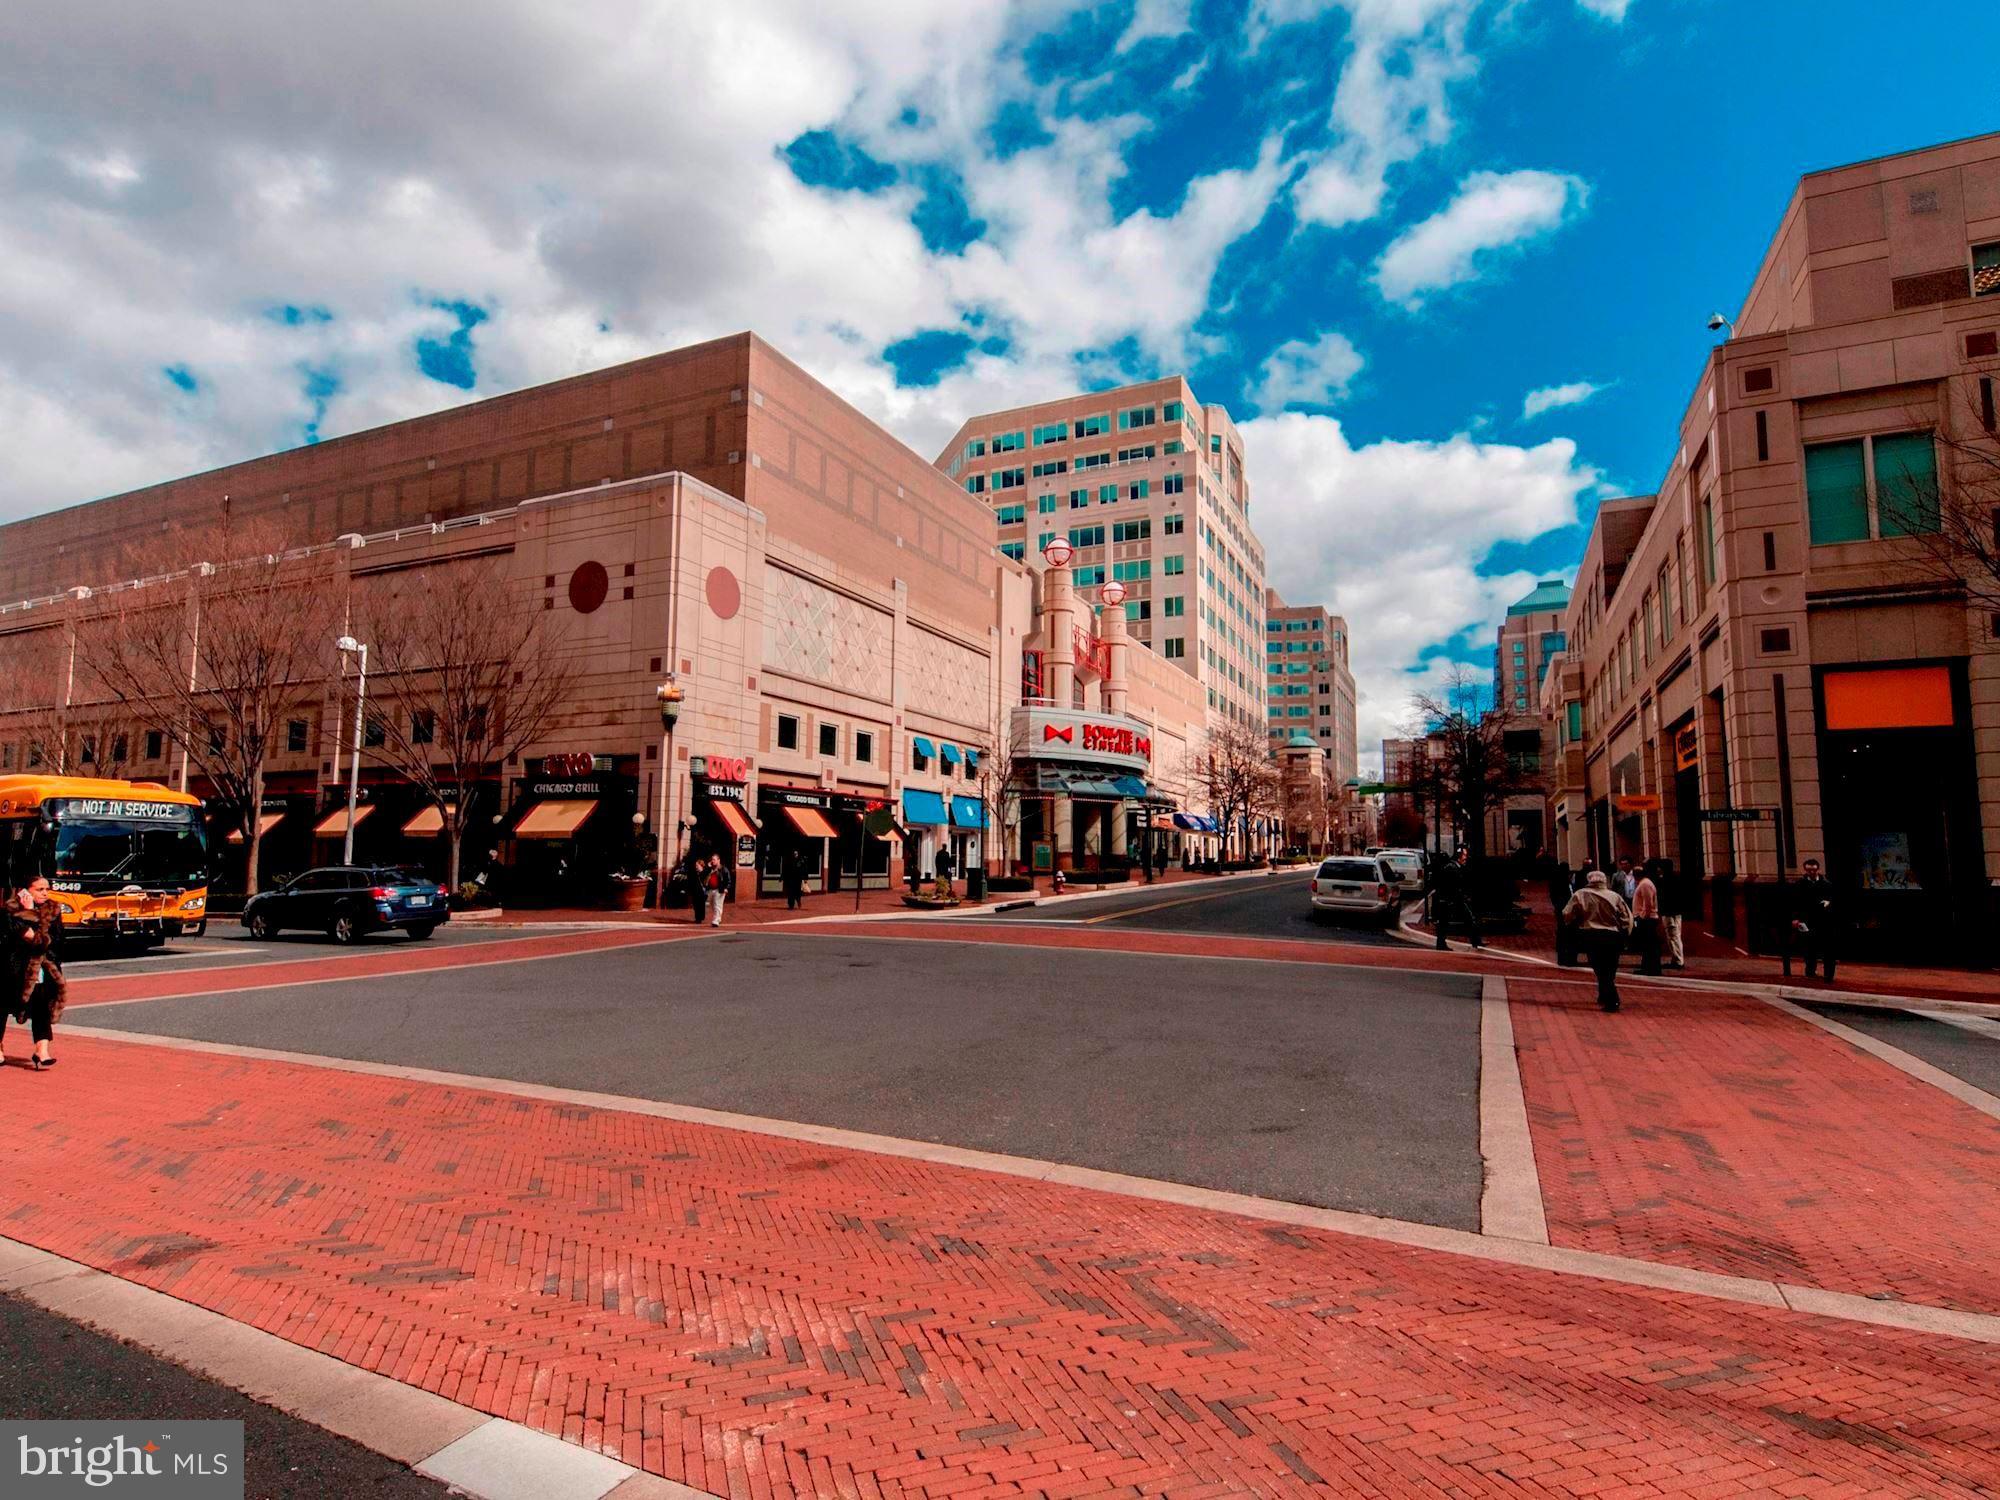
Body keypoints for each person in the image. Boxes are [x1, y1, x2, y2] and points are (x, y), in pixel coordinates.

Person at [3, 876, 65, 1071]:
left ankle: (42, 1051)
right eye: (39, 889)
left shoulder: (53, 909)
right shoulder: (12, 909)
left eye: (47, 889)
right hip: (13, 968)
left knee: (41, 1006)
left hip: (42, 968)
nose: (45, 893)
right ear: (26, 891)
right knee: (3, 1006)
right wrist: (28, 912)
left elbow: (56, 939)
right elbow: (29, 937)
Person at [1563, 870, 1634, 1012]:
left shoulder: (1580, 894)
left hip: (1591, 934)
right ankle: (1605, 994)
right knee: (1610, 967)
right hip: (1612, 935)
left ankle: (1611, 999)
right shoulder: (1614, 896)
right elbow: (1627, 917)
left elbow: (1567, 914)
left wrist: (1574, 923)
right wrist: (1626, 933)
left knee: (1599, 967)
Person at [1792, 858, 1841, 982]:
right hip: (1806, 920)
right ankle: (1810, 971)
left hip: (1824, 921)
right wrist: (1796, 918)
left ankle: (1828, 975)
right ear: (1805, 870)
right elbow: (1795, 902)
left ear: (1818, 869)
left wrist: (1824, 905)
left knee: (1828, 948)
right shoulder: (1800, 885)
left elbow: (1830, 900)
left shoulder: (1826, 884)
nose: (1812, 873)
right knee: (1809, 947)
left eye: (1814, 870)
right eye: (1809, 870)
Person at [1430, 847, 1482, 951]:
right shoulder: (1452, 868)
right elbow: (1451, 886)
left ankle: (1475, 940)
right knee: (1462, 919)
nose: (1466, 858)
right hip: (1450, 900)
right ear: (1459, 857)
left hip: (1451, 899)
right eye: (1464, 855)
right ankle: (1474, 941)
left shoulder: (1454, 867)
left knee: (1449, 921)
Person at [1632, 861, 1663, 975]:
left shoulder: (1645, 884)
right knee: (1647, 945)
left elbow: (1648, 903)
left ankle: (1652, 968)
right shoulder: (1644, 883)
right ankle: (1647, 967)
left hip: (1647, 919)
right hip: (1647, 918)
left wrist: (1642, 917)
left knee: (1650, 945)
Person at [1656, 857, 1685, 969]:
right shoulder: (1677, 878)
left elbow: (1663, 898)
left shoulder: (1664, 880)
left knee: (1673, 936)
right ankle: (1676, 958)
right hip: (1676, 912)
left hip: (1669, 912)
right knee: (1676, 935)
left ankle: (1678, 961)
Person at [1548, 861, 1576, 966]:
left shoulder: (1557, 880)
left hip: (1561, 908)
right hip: (1565, 908)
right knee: (1567, 932)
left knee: (1562, 931)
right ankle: (1567, 957)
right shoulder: (1564, 881)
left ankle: (1563, 957)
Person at [701, 854, 728, 928]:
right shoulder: (710, 869)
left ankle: (716, 921)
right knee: (712, 905)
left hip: (719, 889)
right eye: (712, 859)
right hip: (710, 889)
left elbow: (728, 879)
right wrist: (707, 867)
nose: (712, 861)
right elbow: (702, 875)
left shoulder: (723, 869)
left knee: (717, 905)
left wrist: (726, 887)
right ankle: (718, 918)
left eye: (714, 859)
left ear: (718, 860)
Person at [780, 846, 805, 911]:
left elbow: (804, 869)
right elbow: (785, 869)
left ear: (798, 854)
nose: (795, 855)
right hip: (790, 879)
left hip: (797, 880)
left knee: (797, 892)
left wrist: (805, 878)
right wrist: (782, 877)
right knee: (790, 893)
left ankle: (798, 901)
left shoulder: (801, 861)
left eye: (796, 854)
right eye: (794, 854)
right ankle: (791, 905)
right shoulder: (789, 861)